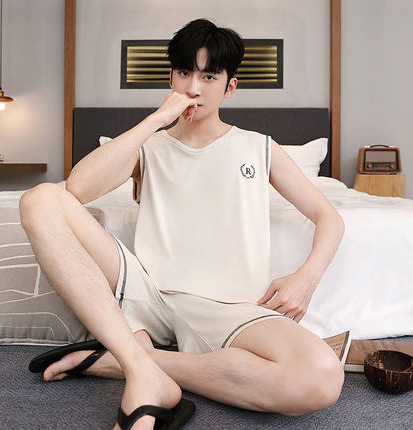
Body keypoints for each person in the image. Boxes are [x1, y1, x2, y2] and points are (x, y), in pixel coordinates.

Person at [20, 18, 345, 430]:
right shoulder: (148, 146)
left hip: (228, 308)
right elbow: (78, 188)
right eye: (185, 73)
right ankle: (140, 364)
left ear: (229, 87)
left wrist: (306, 278)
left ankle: (134, 362)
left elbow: (329, 217)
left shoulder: (258, 147)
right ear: (171, 78)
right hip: (147, 292)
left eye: (209, 76)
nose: (194, 87)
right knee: (39, 199)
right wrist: (156, 119)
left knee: (320, 378)